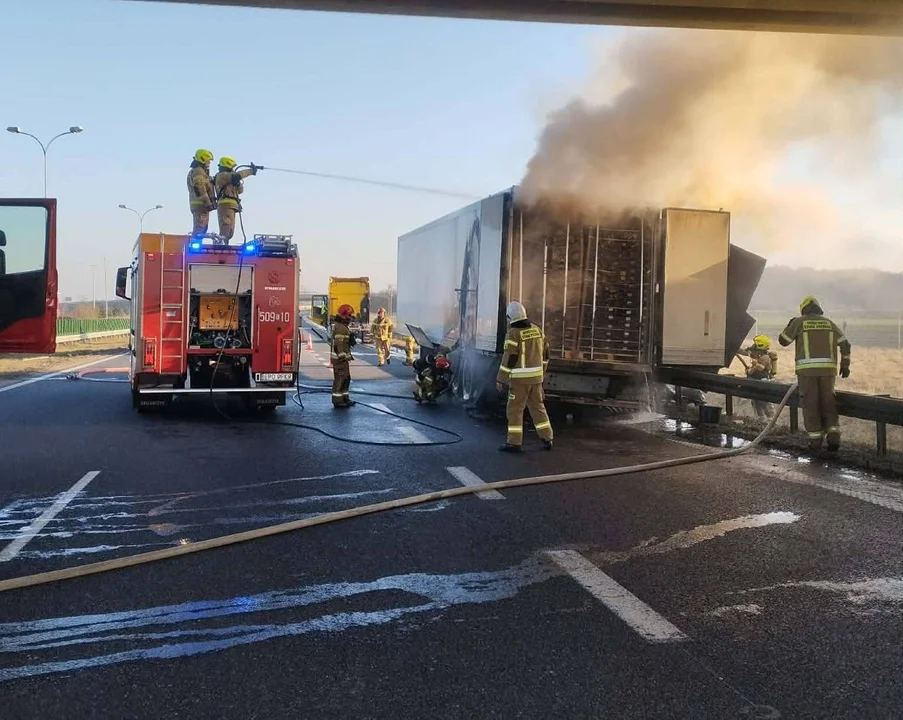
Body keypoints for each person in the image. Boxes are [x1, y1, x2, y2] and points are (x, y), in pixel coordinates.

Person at [779, 296, 851, 451]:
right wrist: (845, 364)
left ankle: (815, 443)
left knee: (811, 404)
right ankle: (834, 440)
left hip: (807, 372)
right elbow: (845, 344)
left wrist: (790, 324)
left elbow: (783, 341)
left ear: (804, 309)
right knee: (829, 403)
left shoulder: (799, 322)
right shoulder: (829, 323)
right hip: (828, 372)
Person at [496, 300, 553, 452]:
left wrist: (501, 378)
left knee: (514, 410)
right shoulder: (537, 330)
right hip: (536, 379)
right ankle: (547, 438)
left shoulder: (513, 333)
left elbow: (509, 358)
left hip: (520, 381)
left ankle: (514, 443)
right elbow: (546, 355)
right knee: (538, 408)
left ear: (510, 317)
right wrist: (542, 373)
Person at [214, 156, 259, 244]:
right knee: (226, 229)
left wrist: (237, 183)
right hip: (225, 205)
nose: (233, 168)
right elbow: (238, 175)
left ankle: (224, 244)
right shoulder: (222, 175)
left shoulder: (231, 177)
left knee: (230, 231)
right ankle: (222, 246)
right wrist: (251, 171)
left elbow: (240, 191)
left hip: (232, 206)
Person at [738, 334, 776, 418]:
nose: (753, 345)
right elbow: (745, 352)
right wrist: (735, 348)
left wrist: (754, 364)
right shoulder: (756, 354)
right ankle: (761, 420)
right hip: (755, 381)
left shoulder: (765, 357)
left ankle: (772, 420)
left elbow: (761, 368)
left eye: (755, 344)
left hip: (763, 381)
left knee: (765, 402)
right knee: (755, 402)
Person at [331, 304, 356, 408]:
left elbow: (343, 343)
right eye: (349, 315)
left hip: (343, 359)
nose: (351, 318)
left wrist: (349, 340)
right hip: (340, 360)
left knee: (346, 378)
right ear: (344, 315)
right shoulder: (340, 327)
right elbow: (338, 344)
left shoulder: (342, 326)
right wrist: (342, 357)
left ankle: (345, 398)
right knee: (341, 378)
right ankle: (337, 400)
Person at [187, 149, 215, 237]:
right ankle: (193, 248)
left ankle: (195, 246)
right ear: (202, 159)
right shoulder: (198, 171)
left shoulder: (201, 171)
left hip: (201, 205)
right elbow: (200, 187)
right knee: (200, 228)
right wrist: (208, 203)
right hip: (200, 204)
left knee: (202, 228)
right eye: (208, 161)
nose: (209, 163)